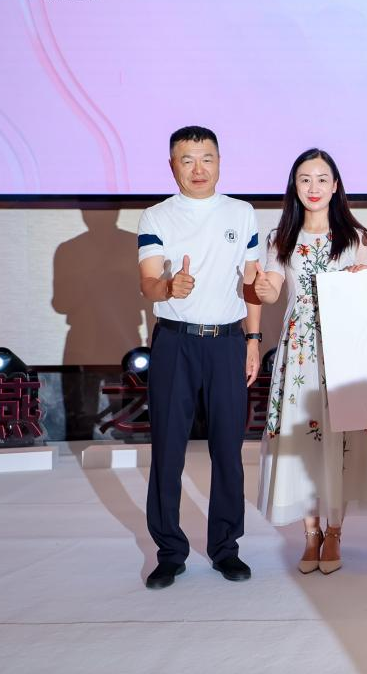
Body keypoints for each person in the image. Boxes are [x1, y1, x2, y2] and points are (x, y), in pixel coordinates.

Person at [136, 126, 262, 589]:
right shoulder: (156, 216)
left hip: (227, 342)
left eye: (207, 158)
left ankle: (226, 548)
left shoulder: (241, 213)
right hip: (176, 343)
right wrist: (169, 287)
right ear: (172, 165)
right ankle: (170, 552)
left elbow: (252, 284)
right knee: (168, 450)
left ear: (220, 162)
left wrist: (253, 340)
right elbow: (148, 283)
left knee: (228, 449)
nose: (198, 168)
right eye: (187, 159)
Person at [254, 148, 367, 576]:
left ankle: (336, 531)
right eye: (305, 179)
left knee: (341, 437)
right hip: (299, 351)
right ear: (294, 186)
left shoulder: (356, 237)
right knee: (303, 439)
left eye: (322, 179)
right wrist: (259, 288)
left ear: (335, 186)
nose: (313, 187)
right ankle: (311, 533)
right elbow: (272, 289)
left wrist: (364, 280)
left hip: (343, 349)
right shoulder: (280, 238)